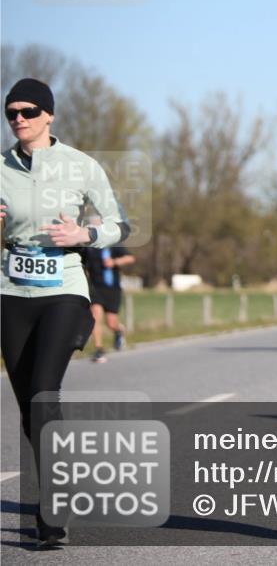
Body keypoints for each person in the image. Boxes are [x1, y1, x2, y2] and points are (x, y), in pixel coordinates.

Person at [1, 78, 129, 546]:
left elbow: (120, 224)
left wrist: (84, 236)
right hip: (11, 291)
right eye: (11, 112)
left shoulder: (81, 166)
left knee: (43, 392)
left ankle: (53, 507)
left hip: (64, 288)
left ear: (49, 115)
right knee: (27, 407)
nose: (18, 119)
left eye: (28, 111)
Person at [82, 219, 136, 362]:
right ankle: (99, 349)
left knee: (111, 322)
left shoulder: (113, 244)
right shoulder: (88, 248)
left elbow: (130, 258)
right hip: (95, 288)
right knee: (95, 316)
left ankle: (118, 331)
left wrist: (114, 262)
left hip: (112, 288)